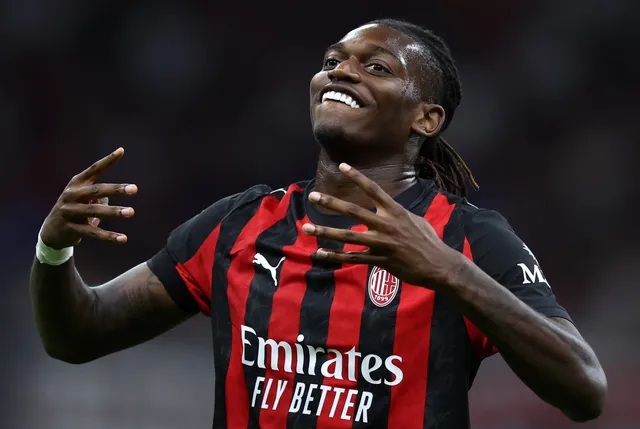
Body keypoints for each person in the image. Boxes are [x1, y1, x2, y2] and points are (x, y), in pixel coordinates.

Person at [30, 18, 606, 428]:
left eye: (375, 67)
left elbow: (585, 389)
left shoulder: (467, 238)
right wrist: (53, 250)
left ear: (426, 118)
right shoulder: (238, 225)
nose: (342, 72)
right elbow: (78, 335)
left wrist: (451, 273)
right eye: (332, 62)